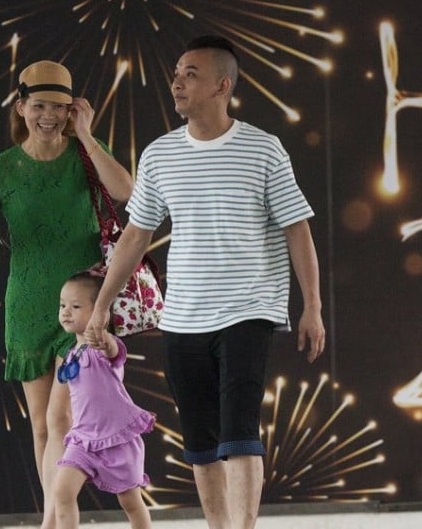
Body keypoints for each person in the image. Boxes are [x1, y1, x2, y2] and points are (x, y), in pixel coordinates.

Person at [86, 35, 326, 529]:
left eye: (190, 73)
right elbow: (135, 236)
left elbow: (296, 228)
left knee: (238, 429)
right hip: (184, 315)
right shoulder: (160, 155)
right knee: (199, 439)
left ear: (222, 85)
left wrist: (313, 306)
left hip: (248, 307)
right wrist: (102, 304)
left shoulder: (263, 148)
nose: (177, 81)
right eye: (176, 72)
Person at [0, 61, 133, 527]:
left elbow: (126, 190)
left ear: (72, 110)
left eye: (60, 108)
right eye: (40, 105)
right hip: (27, 305)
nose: (49, 115)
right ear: (22, 106)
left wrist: (87, 135)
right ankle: (58, 515)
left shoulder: (85, 153)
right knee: (43, 425)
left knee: (64, 419)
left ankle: (53, 520)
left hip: (84, 306)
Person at [54, 269, 154, 529]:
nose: (66, 311)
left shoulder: (102, 347)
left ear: (101, 311)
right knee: (62, 491)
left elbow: (112, 350)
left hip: (117, 439)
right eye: (62, 305)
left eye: (75, 306)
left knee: (131, 502)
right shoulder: (71, 354)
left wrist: (104, 339)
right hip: (83, 439)